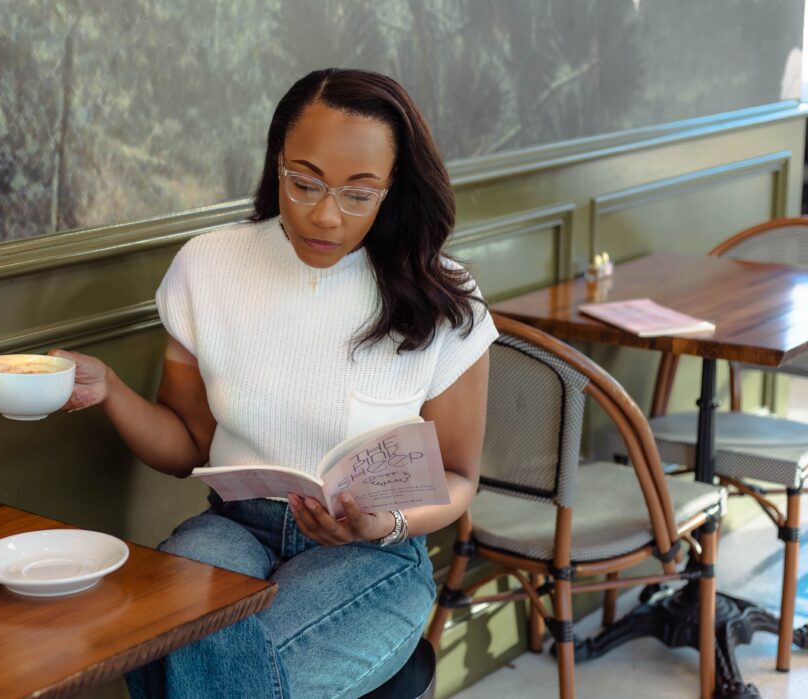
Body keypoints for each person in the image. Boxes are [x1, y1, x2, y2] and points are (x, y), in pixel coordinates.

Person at [52, 67, 497, 699]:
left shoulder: (442, 299)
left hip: (372, 551)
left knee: (169, 661)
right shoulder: (208, 267)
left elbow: (459, 478)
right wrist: (112, 391)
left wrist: (380, 524)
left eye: (358, 194)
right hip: (230, 527)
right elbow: (186, 446)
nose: (325, 215)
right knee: (176, 643)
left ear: (392, 190)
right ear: (277, 163)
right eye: (304, 182)